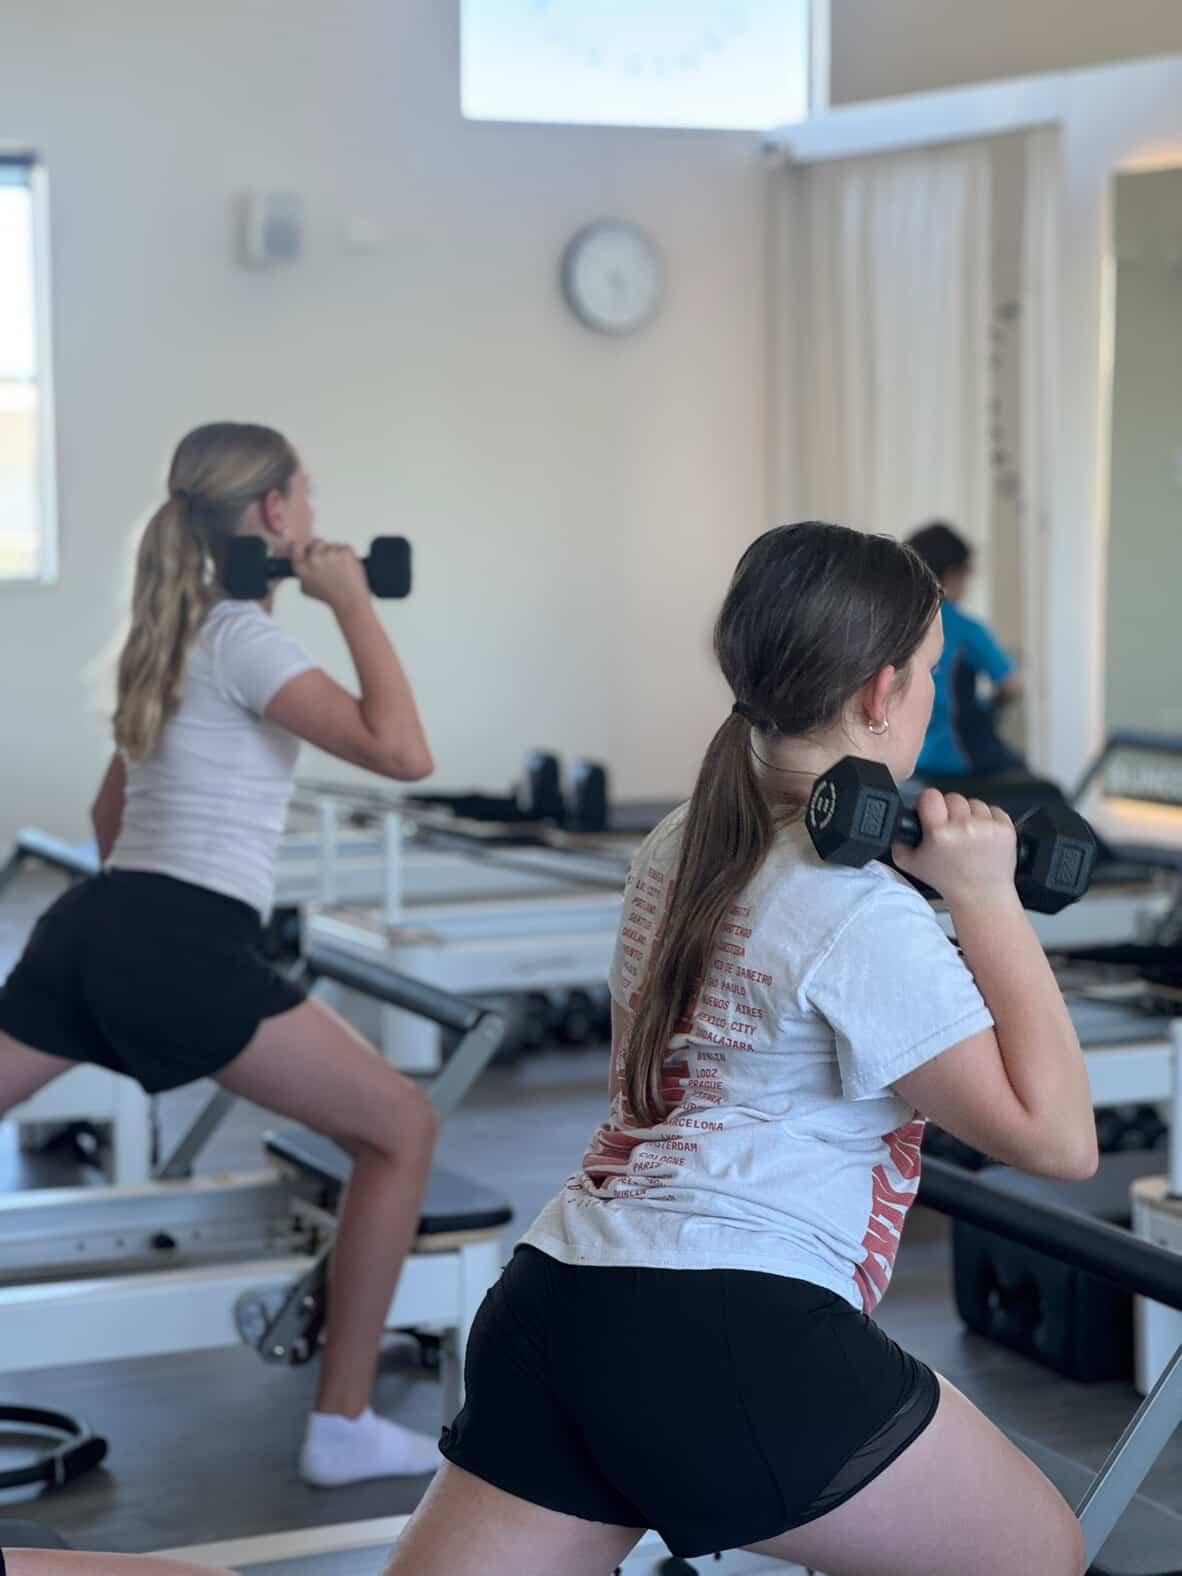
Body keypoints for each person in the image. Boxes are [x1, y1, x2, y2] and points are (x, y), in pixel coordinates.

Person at [385, 522, 1096, 1576]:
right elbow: (1059, 1140)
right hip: (726, 1328)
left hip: (560, 1297)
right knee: (1040, 1551)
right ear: (879, 692)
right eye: (934, 675)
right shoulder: (857, 909)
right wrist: (988, 897)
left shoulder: (682, 838)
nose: (936, 697)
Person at [0, 422, 442, 1487]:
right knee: (403, 1130)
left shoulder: (174, 630)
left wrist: (125, 968)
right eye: (308, 494)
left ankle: (345, 1419)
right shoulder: (243, 636)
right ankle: (341, 1426)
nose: (317, 514)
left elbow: (113, 810)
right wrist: (351, 603)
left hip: (94, 923)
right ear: (279, 516)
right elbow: (403, 751)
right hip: (181, 939)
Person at [906, 520, 1023, 779]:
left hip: (905, 761)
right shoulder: (964, 628)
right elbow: (1012, 686)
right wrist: (986, 708)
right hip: (956, 762)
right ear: (952, 574)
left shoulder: (895, 621)